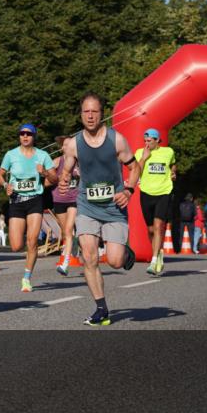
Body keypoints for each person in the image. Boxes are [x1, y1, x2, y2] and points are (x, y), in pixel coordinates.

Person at [57, 93, 137, 327]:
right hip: (87, 206)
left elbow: (135, 167)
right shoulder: (73, 144)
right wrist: (63, 179)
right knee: (89, 257)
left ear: (103, 114)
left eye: (94, 112)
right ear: (80, 114)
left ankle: (124, 252)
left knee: (114, 261)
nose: (90, 116)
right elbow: (67, 170)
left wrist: (129, 190)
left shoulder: (117, 140)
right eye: (86, 112)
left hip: (114, 207)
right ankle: (101, 309)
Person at [0, 124, 56, 292]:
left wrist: (44, 172)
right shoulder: (11, 155)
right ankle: (26, 259)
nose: (25, 136)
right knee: (16, 245)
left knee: (32, 241)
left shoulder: (43, 155)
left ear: (34, 136)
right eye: (22, 133)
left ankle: (27, 278)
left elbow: (55, 178)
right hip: (16, 201)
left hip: (35, 200)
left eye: (28, 134)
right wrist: (6, 184)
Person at [133, 128, 176, 276]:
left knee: (158, 226)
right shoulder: (140, 152)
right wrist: (144, 158)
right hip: (146, 192)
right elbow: (136, 171)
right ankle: (158, 253)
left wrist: (173, 172)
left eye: (149, 141)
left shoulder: (168, 152)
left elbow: (172, 164)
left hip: (164, 192)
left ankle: (153, 260)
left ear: (157, 140)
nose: (146, 143)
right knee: (150, 230)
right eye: (145, 141)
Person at [51, 135, 80, 276]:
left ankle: (65, 263)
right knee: (65, 232)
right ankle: (73, 241)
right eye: (65, 145)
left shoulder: (79, 163)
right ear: (62, 148)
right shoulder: (57, 162)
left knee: (68, 230)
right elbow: (47, 179)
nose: (68, 147)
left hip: (74, 200)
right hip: (59, 200)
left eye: (71, 145)